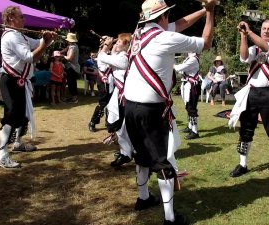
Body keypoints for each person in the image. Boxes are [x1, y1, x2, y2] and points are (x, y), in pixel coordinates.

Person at [124, 0, 216, 224]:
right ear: (163, 16)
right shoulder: (165, 38)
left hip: (130, 106)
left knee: (142, 157)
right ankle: (170, 218)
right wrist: (212, 14)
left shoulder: (139, 34)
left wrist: (204, 10)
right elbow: (205, 43)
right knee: (162, 161)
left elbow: (177, 24)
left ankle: (143, 198)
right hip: (150, 109)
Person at [0, 6, 56, 168]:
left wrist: (47, 39)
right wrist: (45, 44)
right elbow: (29, 57)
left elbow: (36, 43)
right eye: (21, 17)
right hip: (12, 80)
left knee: (23, 115)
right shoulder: (11, 37)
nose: (24, 19)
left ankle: (17, 143)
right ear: (11, 19)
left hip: (20, 81)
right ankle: (1, 154)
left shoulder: (19, 35)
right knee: (11, 117)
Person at [229, 20, 269, 184]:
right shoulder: (253, 49)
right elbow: (243, 57)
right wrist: (243, 36)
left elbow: (266, 47)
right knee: (246, 129)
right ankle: (243, 164)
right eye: (264, 29)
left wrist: (249, 32)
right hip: (251, 92)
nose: (266, 31)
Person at [98, 33, 134, 167]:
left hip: (124, 96)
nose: (116, 43)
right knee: (119, 125)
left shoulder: (123, 58)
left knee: (120, 125)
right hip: (120, 94)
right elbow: (106, 59)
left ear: (125, 45)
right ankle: (126, 151)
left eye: (118, 42)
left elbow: (101, 58)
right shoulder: (120, 56)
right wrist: (111, 46)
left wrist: (106, 45)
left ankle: (126, 153)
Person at [174, 52, 201, 140]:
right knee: (188, 107)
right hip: (187, 84)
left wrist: (172, 64)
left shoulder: (193, 59)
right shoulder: (189, 58)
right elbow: (181, 70)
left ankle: (195, 131)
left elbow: (179, 68)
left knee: (191, 108)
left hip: (192, 86)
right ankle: (190, 127)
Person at [60, 33, 80, 103]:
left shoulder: (73, 47)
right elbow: (65, 49)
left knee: (72, 83)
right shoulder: (72, 45)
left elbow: (69, 58)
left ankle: (75, 99)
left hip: (72, 68)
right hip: (73, 68)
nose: (67, 41)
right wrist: (59, 52)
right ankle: (73, 97)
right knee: (71, 83)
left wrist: (62, 56)